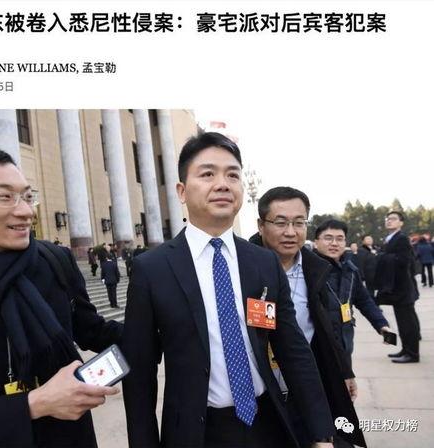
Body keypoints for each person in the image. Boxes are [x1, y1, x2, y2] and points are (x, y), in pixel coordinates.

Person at [123, 133, 335, 448]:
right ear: (182, 191)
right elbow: (139, 375)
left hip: (269, 424)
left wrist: (322, 434)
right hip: (198, 432)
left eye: (232, 175)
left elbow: (293, 350)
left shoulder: (263, 262)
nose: (223, 184)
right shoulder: (151, 269)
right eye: (208, 174)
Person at [0, 143, 123, 447]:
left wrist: (165, 326)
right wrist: (34, 404)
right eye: (4, 197)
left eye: (27, 196)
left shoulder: (54, 261)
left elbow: (91, 330)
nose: (26, 211)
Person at [250, 186, 366, 448]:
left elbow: (327, 328)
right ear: (261, 225)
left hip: (304, 387)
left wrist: (344, 370)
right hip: (260, 393)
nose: (291, 232)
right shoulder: (243, 268)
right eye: (281, 222)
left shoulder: (316, 271)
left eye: (299, 222)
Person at [313, 220, 390, 370]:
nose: (334, 243)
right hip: (317, 349)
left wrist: (382, 325)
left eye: (340, 239)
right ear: (316, 242)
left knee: (345, 382)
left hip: (345, 343)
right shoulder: (307, 270)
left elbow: (364, 300)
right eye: (328, 238)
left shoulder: (350, 269)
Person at [375, 211, 420, 363]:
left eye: (393, 219)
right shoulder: (391, 239)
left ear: (401, 223)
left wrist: (381, 257)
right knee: (402, 323)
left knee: (408, 323)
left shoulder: (401, 238)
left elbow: (404, 261)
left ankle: (412, 354)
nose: (389, 221)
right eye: (387, 219)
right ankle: (405, 350)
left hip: (403, 289)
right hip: (397, 289)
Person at [356, 235, 379, 300]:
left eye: (370, 238)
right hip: (367, 276)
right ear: (363, 241)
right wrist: (362, 277)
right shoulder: (361, 250)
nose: (369, 240)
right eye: (367, 239)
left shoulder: (375, 249)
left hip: (375, 276)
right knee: (368, 293)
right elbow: (360, 264)